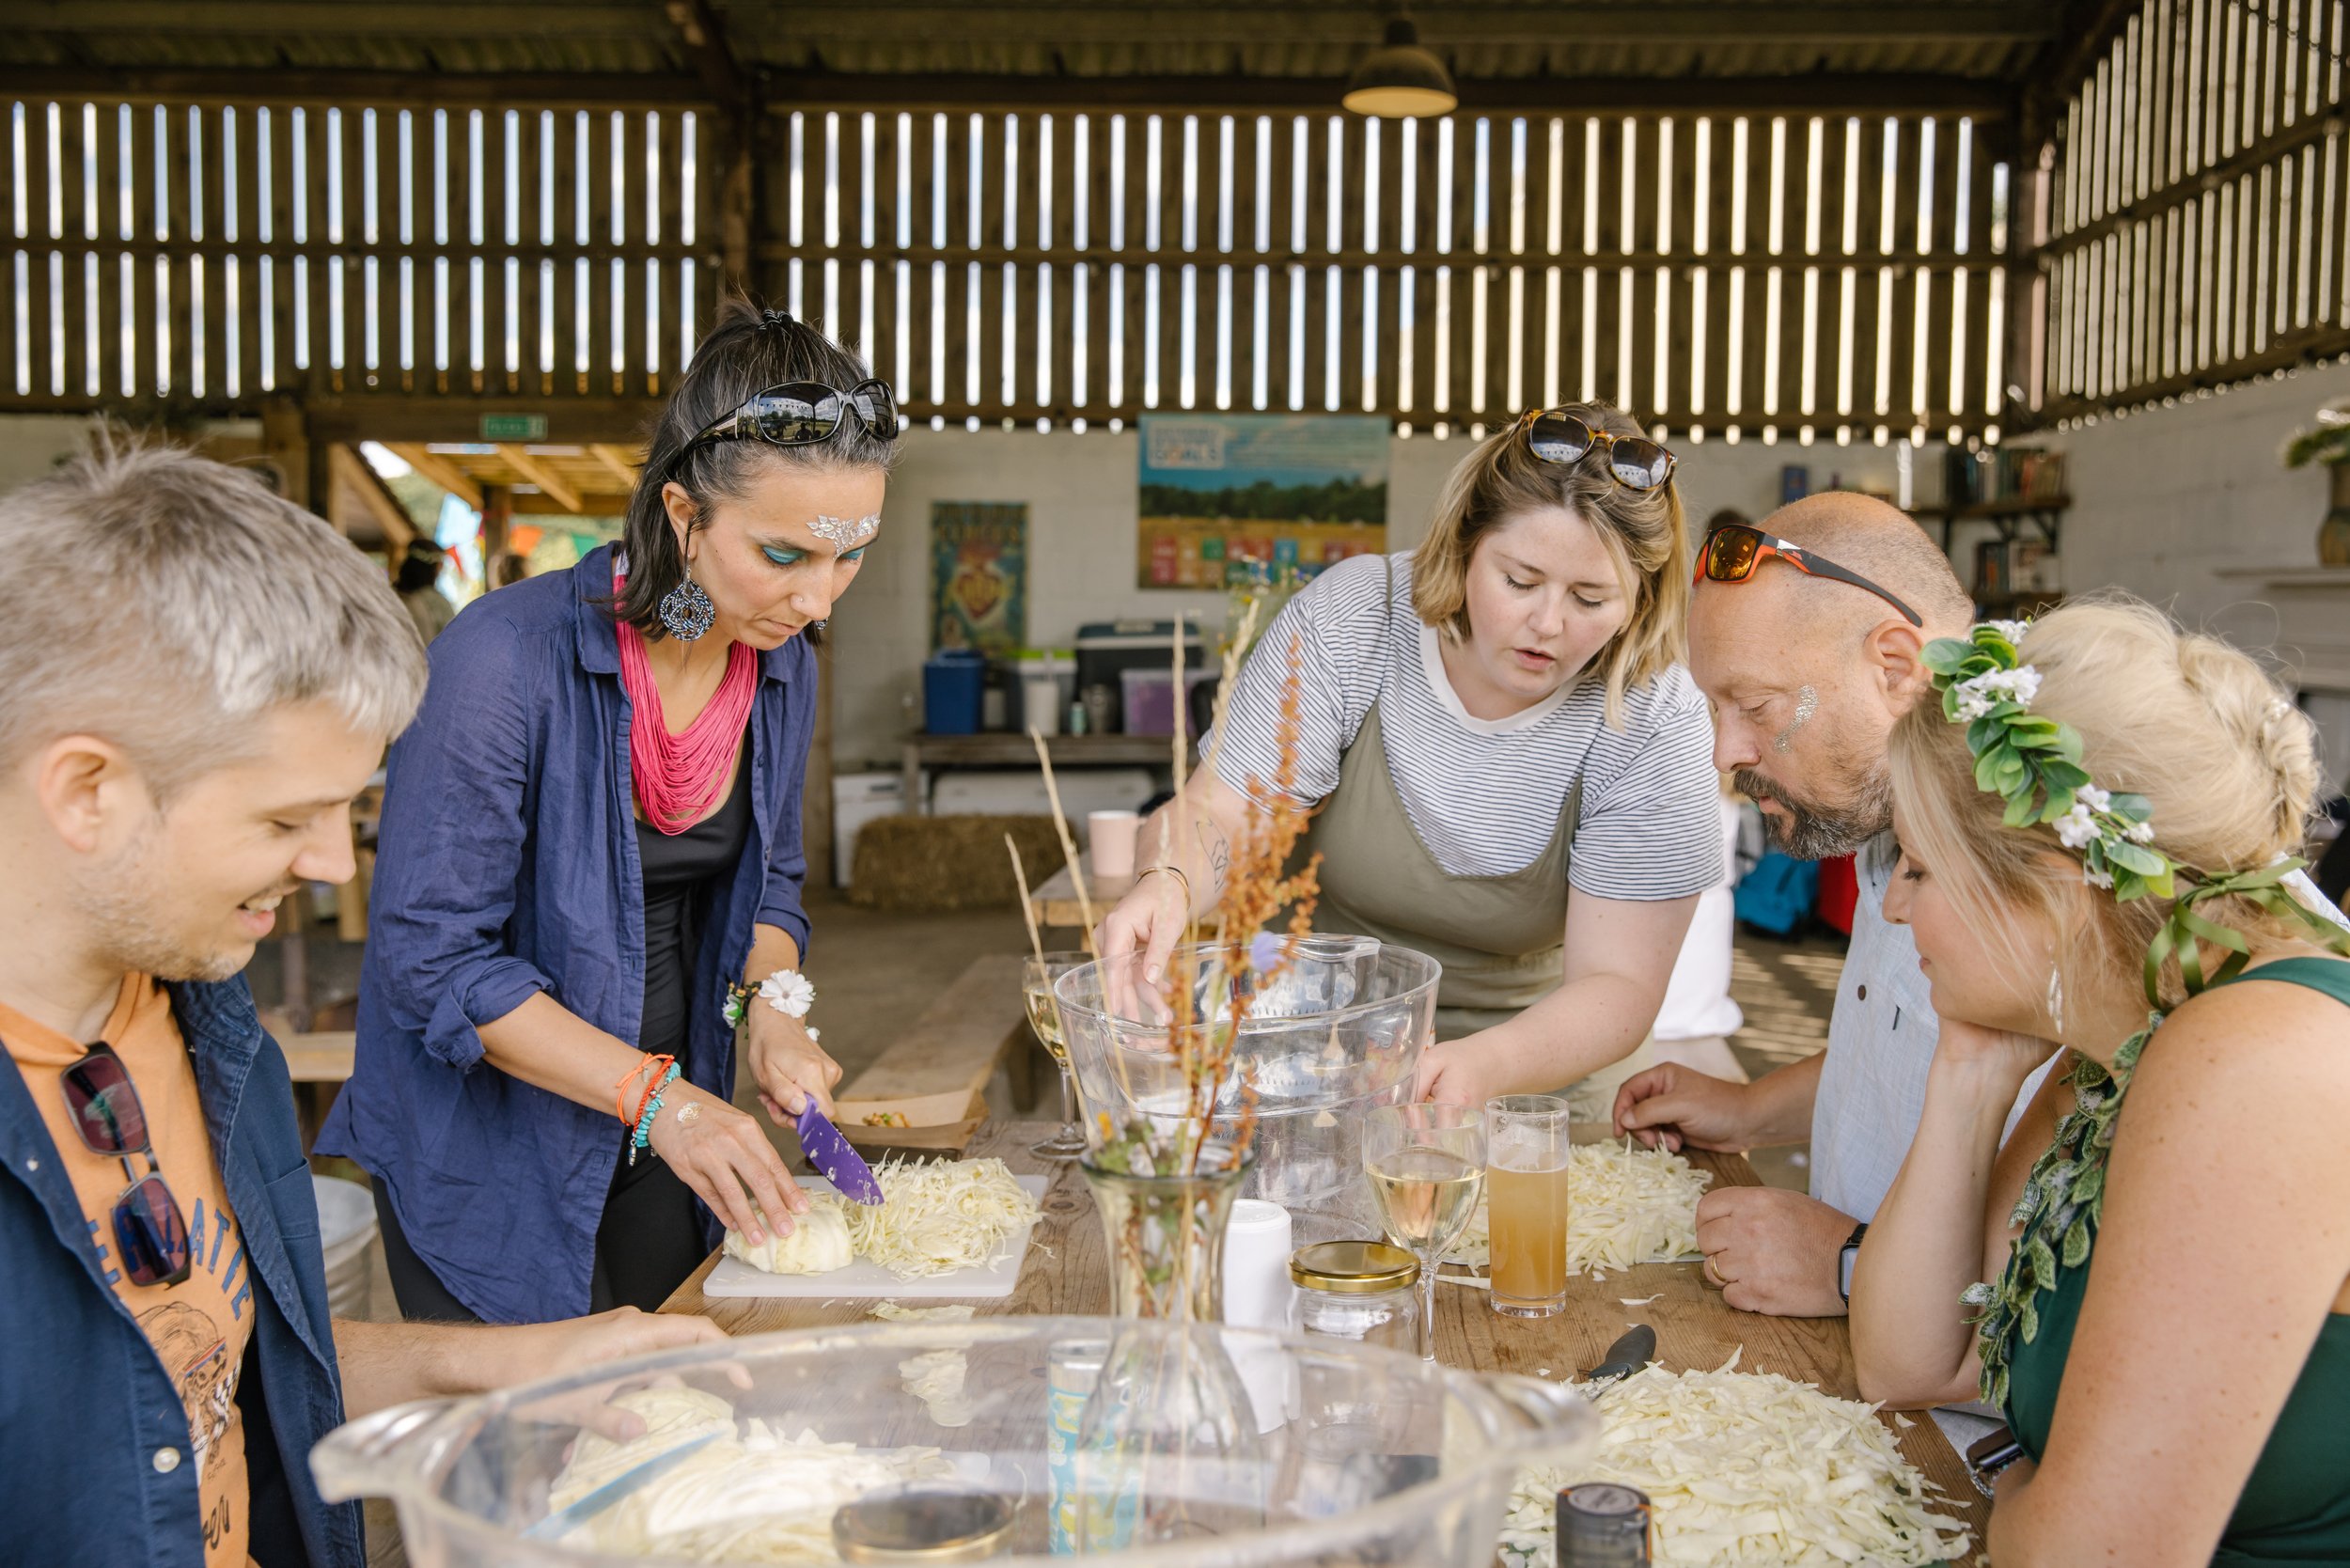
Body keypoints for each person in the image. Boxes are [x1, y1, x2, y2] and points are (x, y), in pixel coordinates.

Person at [0, 443, 728, 1568]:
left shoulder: (201, 1028)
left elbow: (217, 1368)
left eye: (349, 811)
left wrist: (505, 1363)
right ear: (87, 789)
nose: (336, 866)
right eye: (287, 820)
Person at [319, 303, 895, 1324]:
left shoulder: (777, 666)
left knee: (671, 1423)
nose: (821, 600)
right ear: (682, 514)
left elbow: (772, 893)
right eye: (784, 553)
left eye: (849, 554)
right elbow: (436, 962)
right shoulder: (502, 662)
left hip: (672, 1131)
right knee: (541, 1458)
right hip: (495, 1150)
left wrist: (772, 1013)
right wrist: (656, 1099)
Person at [1851, 602, 2350, 1565]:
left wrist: (2032, 1496)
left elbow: (2085, 1554)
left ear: (2050, 886)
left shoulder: (2253, 1061)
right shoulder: (2126, 1035)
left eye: (1916, 867)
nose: (1893, 907)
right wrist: (1969, 1068)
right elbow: (1909, 1361)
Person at [1098, 403, 1723, 1108]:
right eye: (1519, 581)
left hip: (1540, 1071)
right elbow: (1224, 809)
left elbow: (1618, 985)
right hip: (1318, 1042)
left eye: (1590, 598)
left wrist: (1481, 1067)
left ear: (1640, 599)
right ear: (1462, 546)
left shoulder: (1655, 714)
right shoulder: (1356, 620)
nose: (1548, 625)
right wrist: (1172, 880)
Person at [1611, 491, 2056, 1318]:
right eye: (1715, 709)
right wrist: (1748, 1111)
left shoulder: (2061, 853)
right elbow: (1898, 1049)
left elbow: (2107, 1253)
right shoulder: (1891, 802)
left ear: (1895, 666)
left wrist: (1850, 1264)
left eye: (1757, 706)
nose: (1727, 751)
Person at [394, 537, 457, 645]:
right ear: (435, 567)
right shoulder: (438, 603)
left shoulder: (389, 596)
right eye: (441, 563)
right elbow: (453, 643)